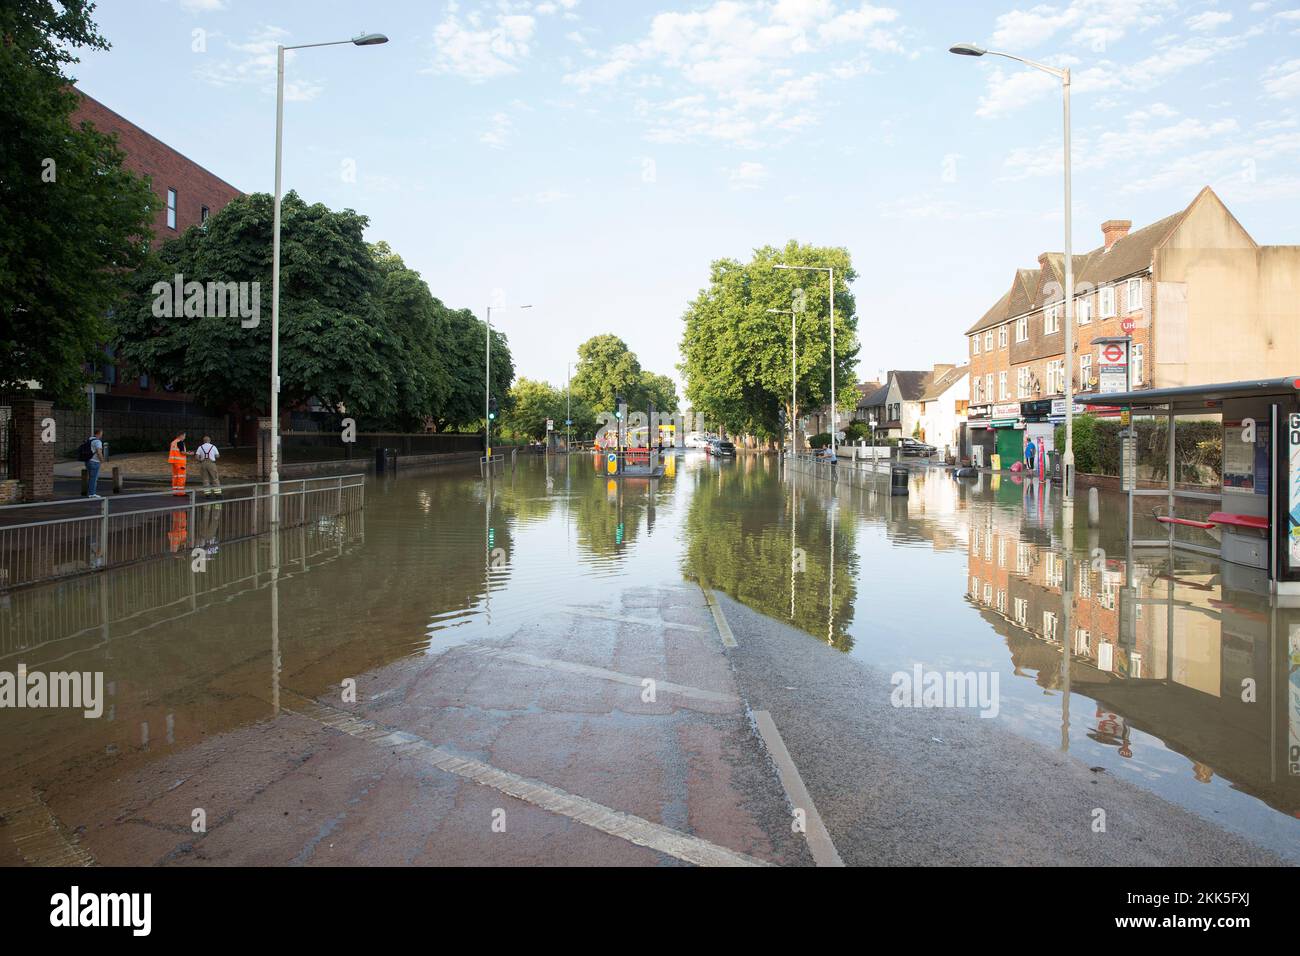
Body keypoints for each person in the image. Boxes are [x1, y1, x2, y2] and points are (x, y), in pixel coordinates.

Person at [82, 428, 105, 498]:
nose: (102, 435)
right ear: (99, 433)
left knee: (91, 477)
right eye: (101, 433)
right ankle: (92, 493)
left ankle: (90, 492)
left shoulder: (89, 440)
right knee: (94, 478)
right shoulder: (98, 442)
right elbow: (99, 452)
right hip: (95, 462)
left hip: (88, 461)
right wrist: (102, 460)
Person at [169, 430, 188, 497]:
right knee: (181, 477)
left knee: (175, 477)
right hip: (180, 463)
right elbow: (182, 452)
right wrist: (189, 453)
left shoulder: (173, 442)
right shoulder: (180, 442)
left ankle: (175, 492)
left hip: (174, 462)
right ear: (181, 435)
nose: (185, 437)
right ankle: (180, 492)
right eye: (184, 436)